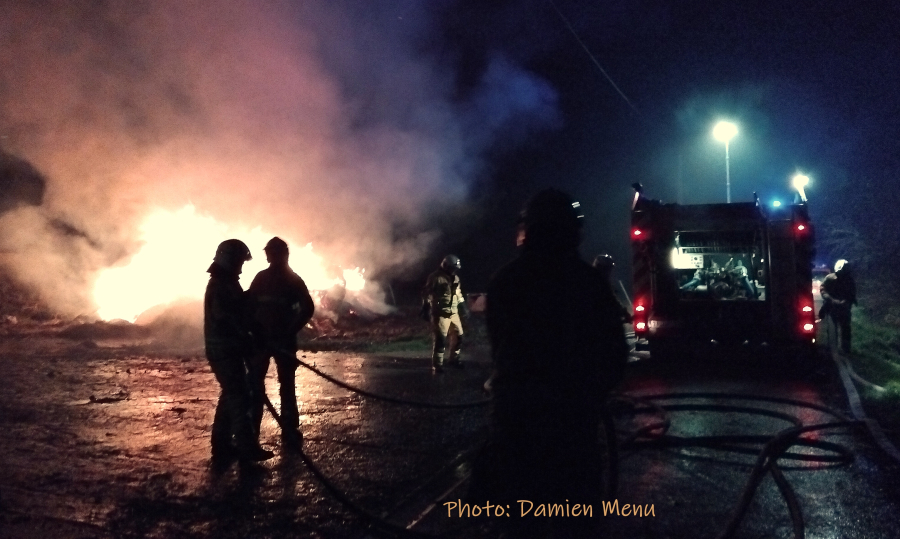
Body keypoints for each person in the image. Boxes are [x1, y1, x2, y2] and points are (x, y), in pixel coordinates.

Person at [472, 189, 629, 538]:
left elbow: (502, 350)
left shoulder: (505, 281)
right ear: (574, 230)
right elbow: (615, 356)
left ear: (528, 229)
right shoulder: (588, 284)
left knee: (516, 520)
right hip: (572, 428)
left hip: (515, 424)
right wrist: (589, 394)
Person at [204, 239, 274, 467]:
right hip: (224, 350)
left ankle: (222, 446)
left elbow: (239, 313)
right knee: (239, 396)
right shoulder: (220, 286)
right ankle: (246, 448)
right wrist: (246, 338)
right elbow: (228, 319)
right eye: (239, 262)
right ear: (230, 261)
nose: (241, 267)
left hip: (226, 349)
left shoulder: (227, 284)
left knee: (231, 395)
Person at [246, 237, 315, 452]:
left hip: (275, 340)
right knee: (260, 386)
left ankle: (281, 429)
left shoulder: (289, 280)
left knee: (277, 385)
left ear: (281, 255)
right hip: (264, 340)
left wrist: (289, 330)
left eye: (273, 253)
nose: (270, 257)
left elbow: (307, 308)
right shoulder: (269, 278)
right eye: (270, 253)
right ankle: (259, 432)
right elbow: (249, 306)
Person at [421, 254, 467, 373]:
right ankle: (438, 365)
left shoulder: (455, 278)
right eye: (452, 268)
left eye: (455, 268)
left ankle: (454, 359)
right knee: (440, 339)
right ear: (446, 266)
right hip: (440, 313)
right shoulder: (435, 277)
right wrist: (425, 307)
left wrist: (463, 306)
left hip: (453, 313)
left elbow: (458, 294)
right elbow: (427, 293)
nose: (454, 270)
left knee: (459, 335)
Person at [820, 259, 857, 354]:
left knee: (845, 328)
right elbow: (823, 290)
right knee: (833, 329)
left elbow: (852, 293)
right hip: (832, 307)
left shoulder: (849, 280)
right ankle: (832, 348)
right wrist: (830, 299)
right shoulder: (830, 278)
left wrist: (846, 301)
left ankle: (845, 348)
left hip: (844, 308)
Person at [593, 253, 633, 322]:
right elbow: (610, 300)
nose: (609, 272)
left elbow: (612, 300)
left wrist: (624, 313)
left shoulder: (602, 282)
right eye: (607, 268)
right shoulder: (598, 283)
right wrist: (623, 313)